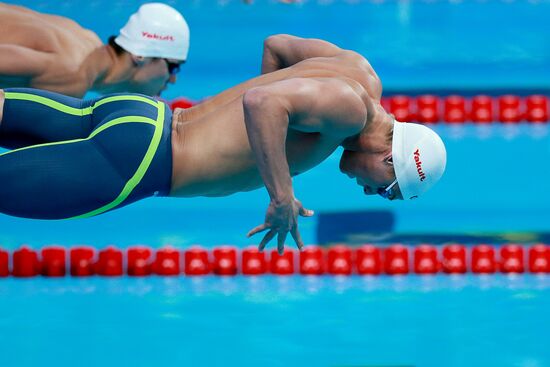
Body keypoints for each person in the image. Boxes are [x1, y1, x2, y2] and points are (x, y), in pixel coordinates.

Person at [0, 34, 446, 253]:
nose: (369, 192)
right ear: (390, 159)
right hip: (140, 162)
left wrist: (229, 132)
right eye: (385, 188)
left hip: (141, 115)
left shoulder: (358, 70)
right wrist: (281, 196)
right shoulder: (349, 111)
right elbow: (263, 102)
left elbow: (277, 47)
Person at [0, 2, 189, 97]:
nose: (173, 79)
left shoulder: (89, 43)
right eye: (173, 67)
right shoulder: (73, 72)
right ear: (140, 55)